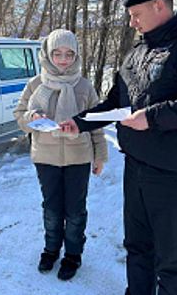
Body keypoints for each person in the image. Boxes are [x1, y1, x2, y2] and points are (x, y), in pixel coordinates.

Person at [59, 0, 177, 294]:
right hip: (135, 169)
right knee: (137, 249)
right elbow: (114, 103)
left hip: (173, 176)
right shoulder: (135, 54)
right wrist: (78, 123)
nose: (132, 22)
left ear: (159, 5)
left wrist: (152, 117)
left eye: (136, 14)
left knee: (173, 261)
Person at [13, 29, 108, 281]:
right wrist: (32, 117)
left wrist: (99, 156)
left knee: (75, 211)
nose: (63, 59)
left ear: (76, 55)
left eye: (69, 54)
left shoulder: (84, 86)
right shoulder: (36, 84)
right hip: (46, 158)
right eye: (57, 53)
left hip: (79, 158)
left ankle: (73, 255)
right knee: (52, 209)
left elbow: (95, 123)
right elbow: (20, 114)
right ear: (47, 54)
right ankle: (51, 250)